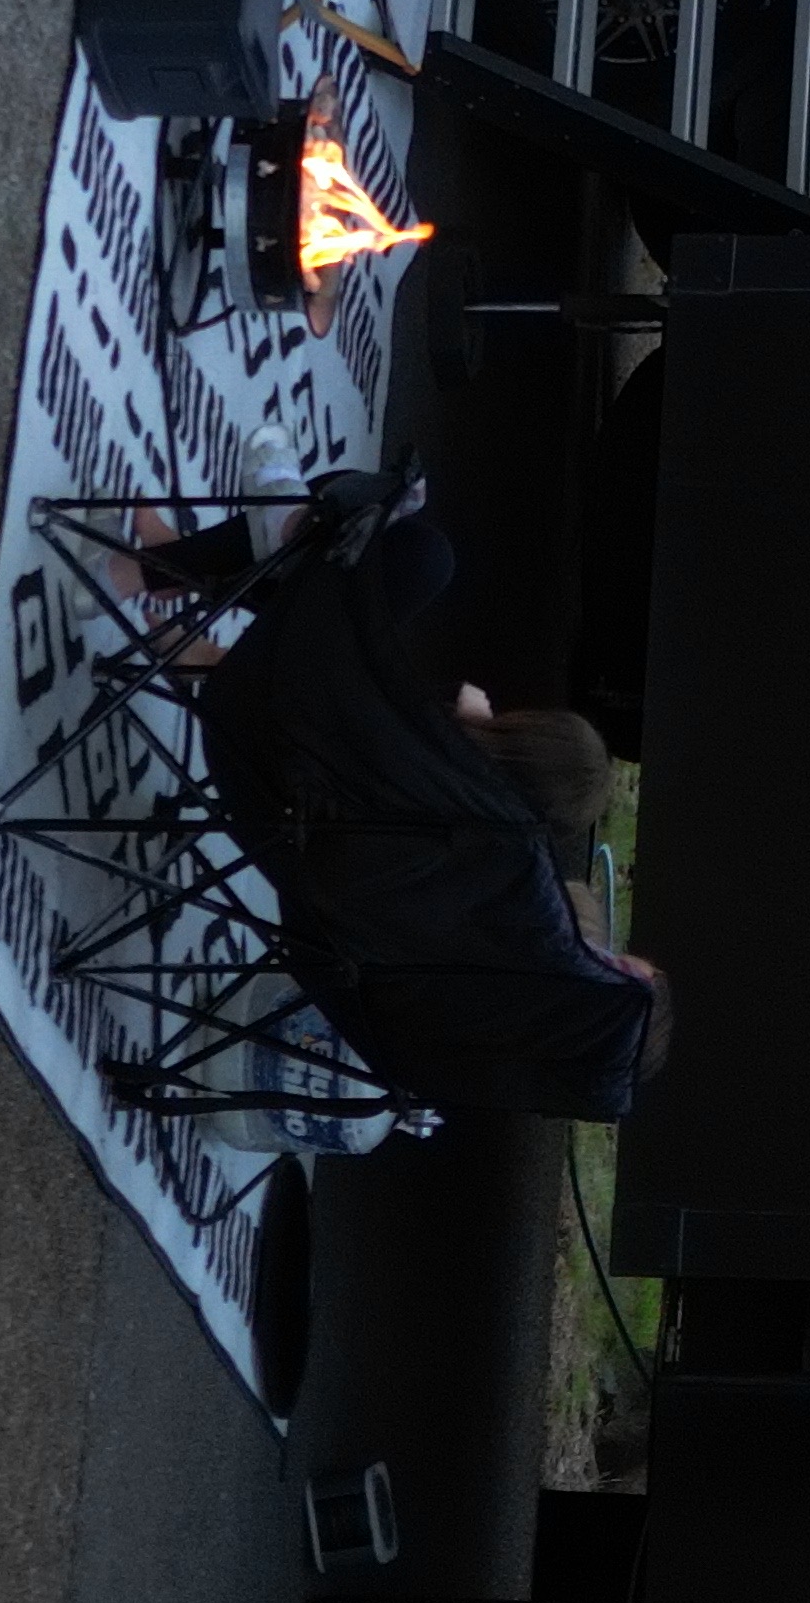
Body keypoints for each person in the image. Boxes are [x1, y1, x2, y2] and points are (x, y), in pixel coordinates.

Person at [145, 481, 656, 1126]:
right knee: (382, 567)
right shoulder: (471, 966)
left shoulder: (490, 846)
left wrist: (467, 723)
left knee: (412, 552)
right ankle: (171, 570)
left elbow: (337, 699)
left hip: (276, 747)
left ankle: (167, 566)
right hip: (294, 865)